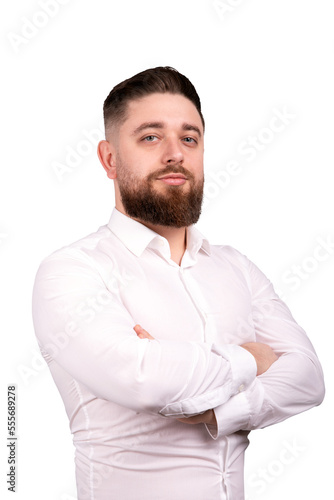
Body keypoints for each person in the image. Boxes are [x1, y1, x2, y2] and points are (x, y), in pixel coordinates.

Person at [32, 66, 325, 500]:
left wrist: (216, 411)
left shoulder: (236, 267)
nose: (175, 153)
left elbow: (309, 378)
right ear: (109, 159)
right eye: (150, 137)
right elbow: (143, 379)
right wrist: (253, 357)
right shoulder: (72, 270)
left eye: (189, 138)